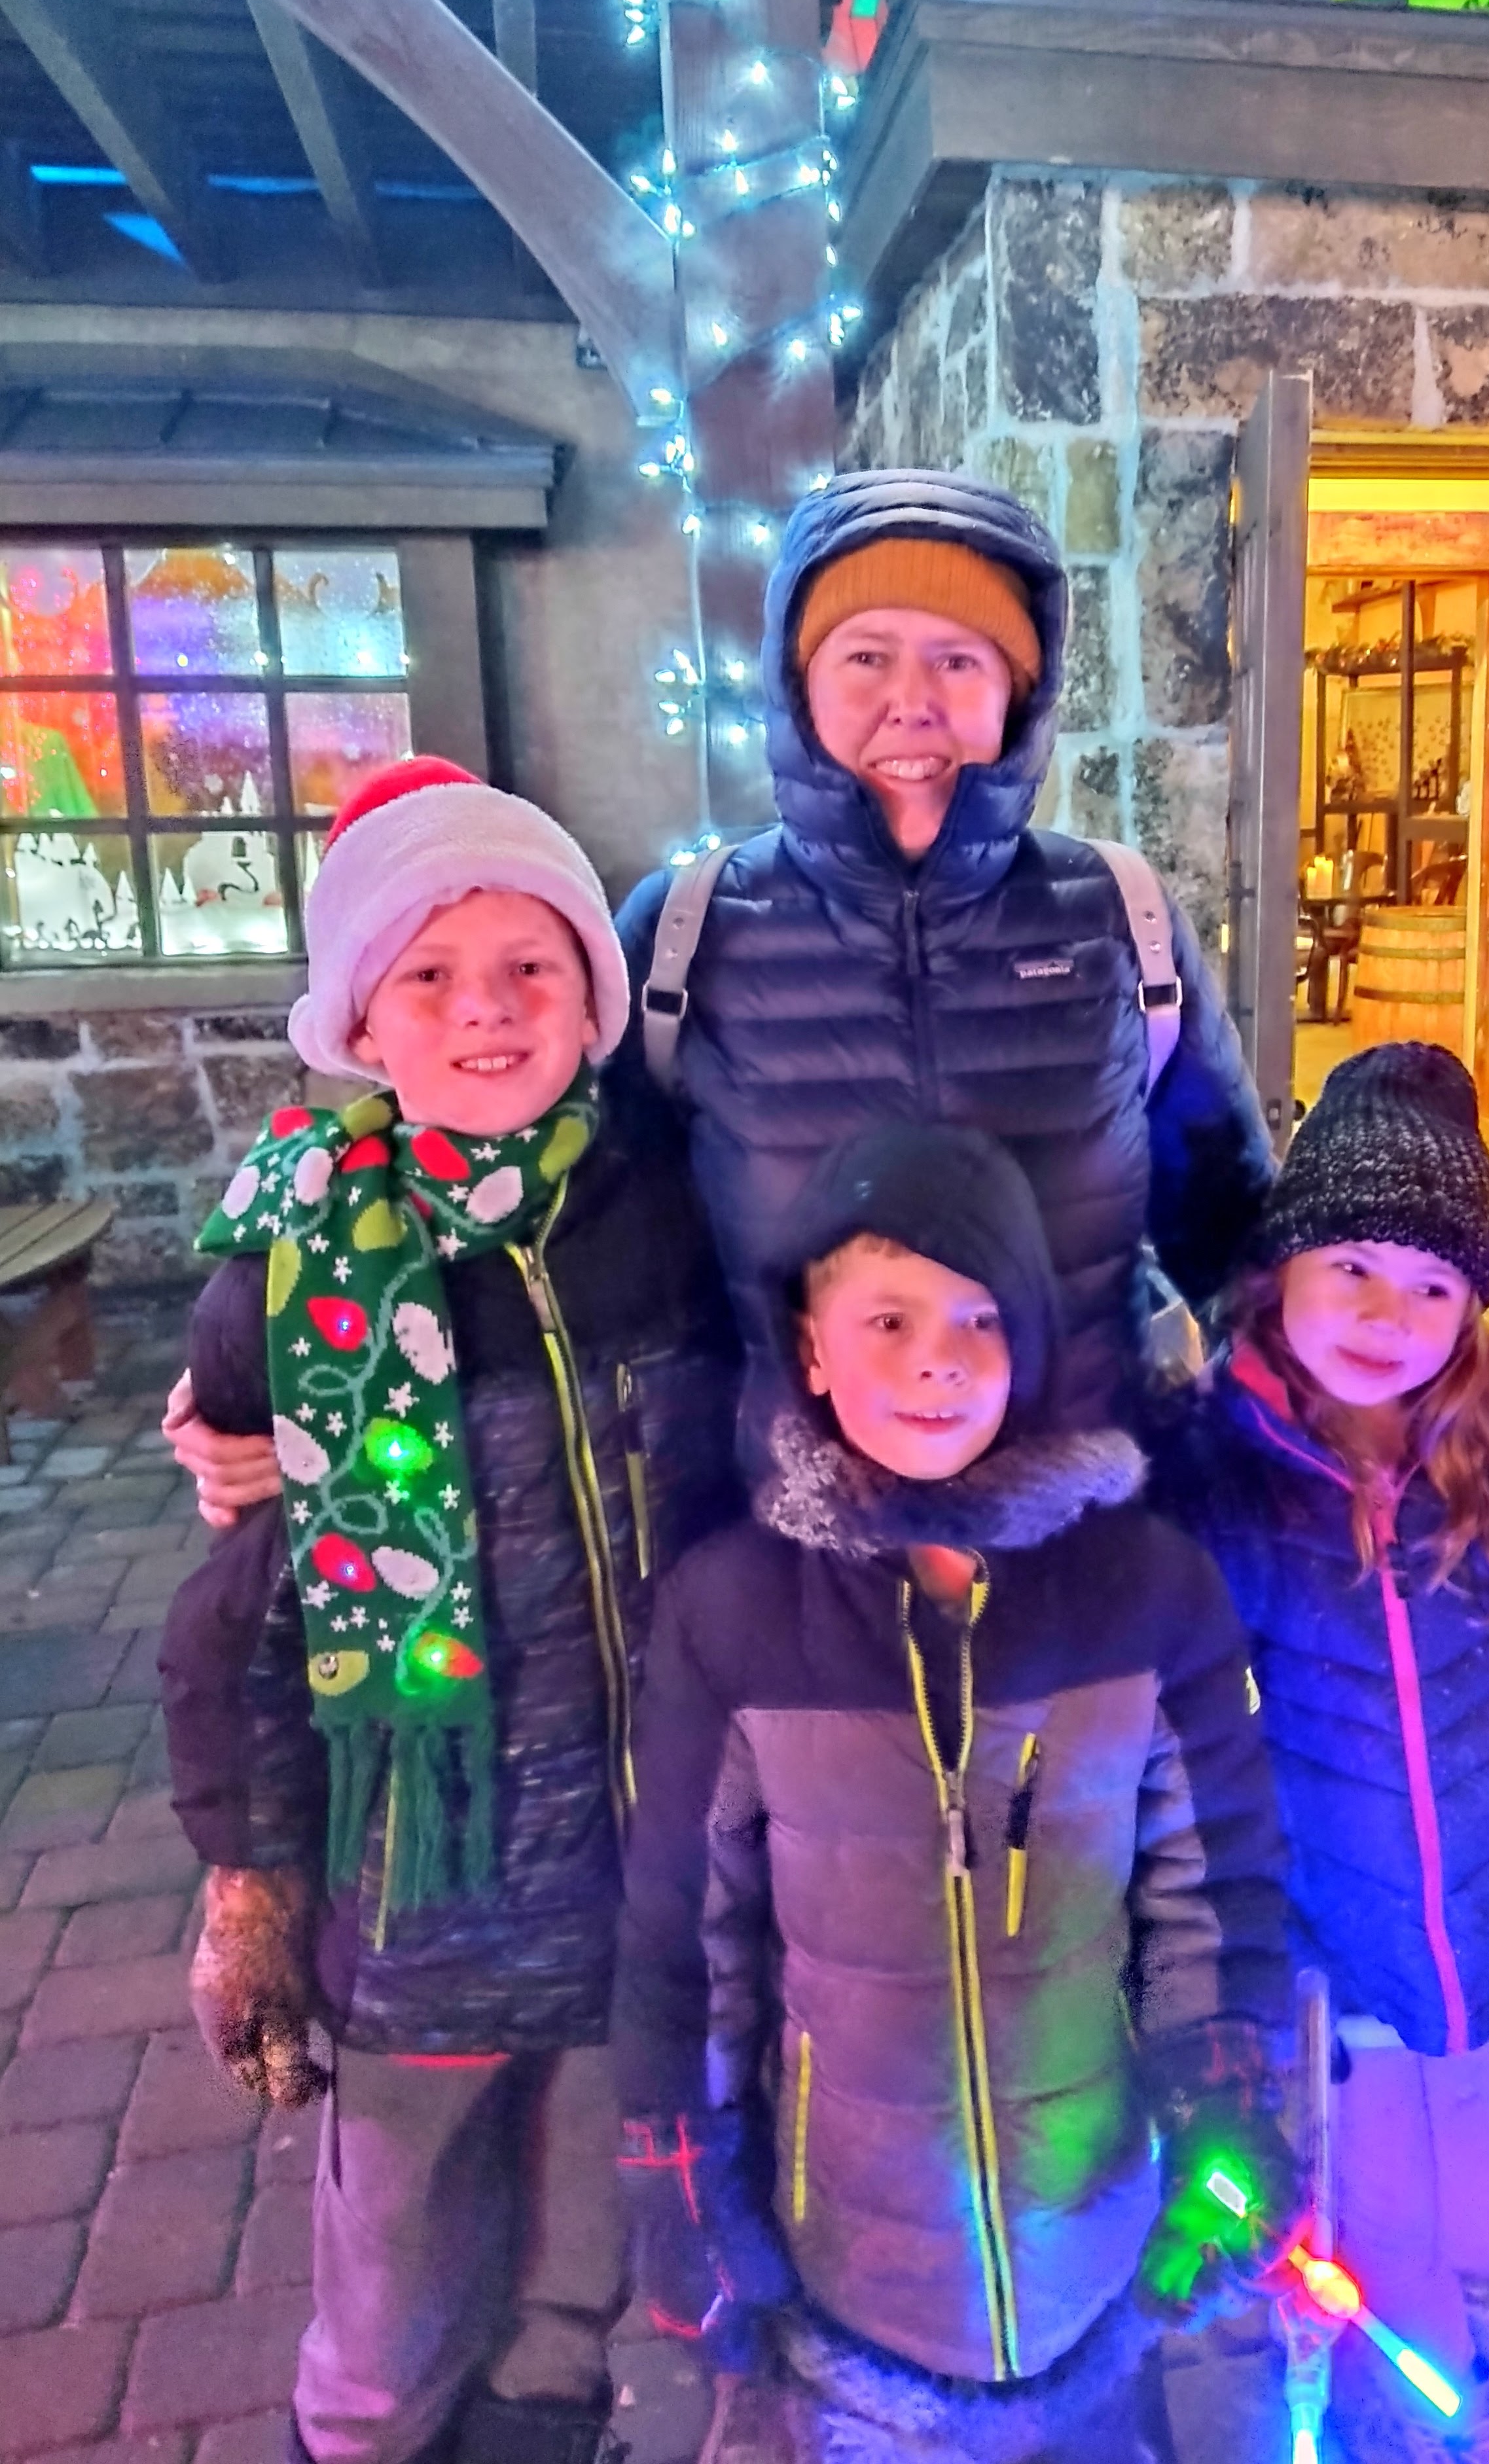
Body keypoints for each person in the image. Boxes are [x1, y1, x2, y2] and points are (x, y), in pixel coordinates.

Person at [157, 757, 740, 2464]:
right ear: (358, 1016)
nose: (488, 1009)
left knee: (571, 2282)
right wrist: (252, 1878)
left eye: (531, 966)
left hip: (632, 1883)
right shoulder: (297, 1267)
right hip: (422, 1900)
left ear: (593, 995)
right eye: (430, 974)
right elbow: (240, 1623)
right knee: (397, 2291)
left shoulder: (662, 1213)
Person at [610, 1122, 1297, 2463]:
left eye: (982, 1318)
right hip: (853, 2290)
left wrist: (1225, 2108)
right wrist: (682, 2176)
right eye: (890, 1317)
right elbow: (686, 1929)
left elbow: (1214, 1883)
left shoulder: (1147, 1594)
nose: (940, 1357)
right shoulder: (734, 1613)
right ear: (810, 1347)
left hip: (1094, 2271)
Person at [1152, 1044, 1489, 2464]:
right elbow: (1180, 1727)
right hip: (1342, 1958)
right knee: (1372, 2227)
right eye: (1354, 1268)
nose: (1390, 1316)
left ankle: (1448, 2349)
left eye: (1434, 1285)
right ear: (1282, 1270)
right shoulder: (1220, 1473)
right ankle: (1430, 2405)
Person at [613, 467, 1274, 1431]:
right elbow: (599, 1254)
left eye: (959, 660)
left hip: (1088, 1500)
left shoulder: (1119, 920)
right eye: (866, 657)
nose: (912, 701)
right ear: (799, 686)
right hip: (789, 1510)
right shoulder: (688, 936)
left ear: (1020, 693)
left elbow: (1237, 1242)